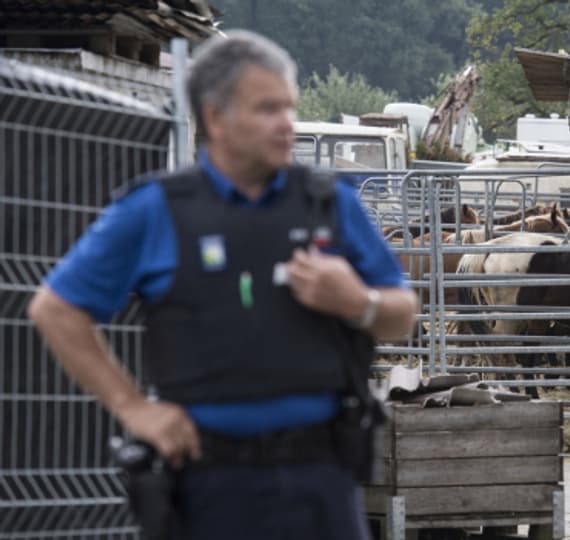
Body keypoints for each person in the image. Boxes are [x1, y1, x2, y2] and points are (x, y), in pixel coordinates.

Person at [28, 30, 417, 540]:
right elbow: (55, 310)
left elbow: (402, 314)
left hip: (322, 481)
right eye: (267, 109)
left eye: (289, 107)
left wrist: (357, 301)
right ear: (215, 117)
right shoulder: (156, 210)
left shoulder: (329, 203)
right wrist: (134, 410)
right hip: (208, 486)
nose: (287, 124)